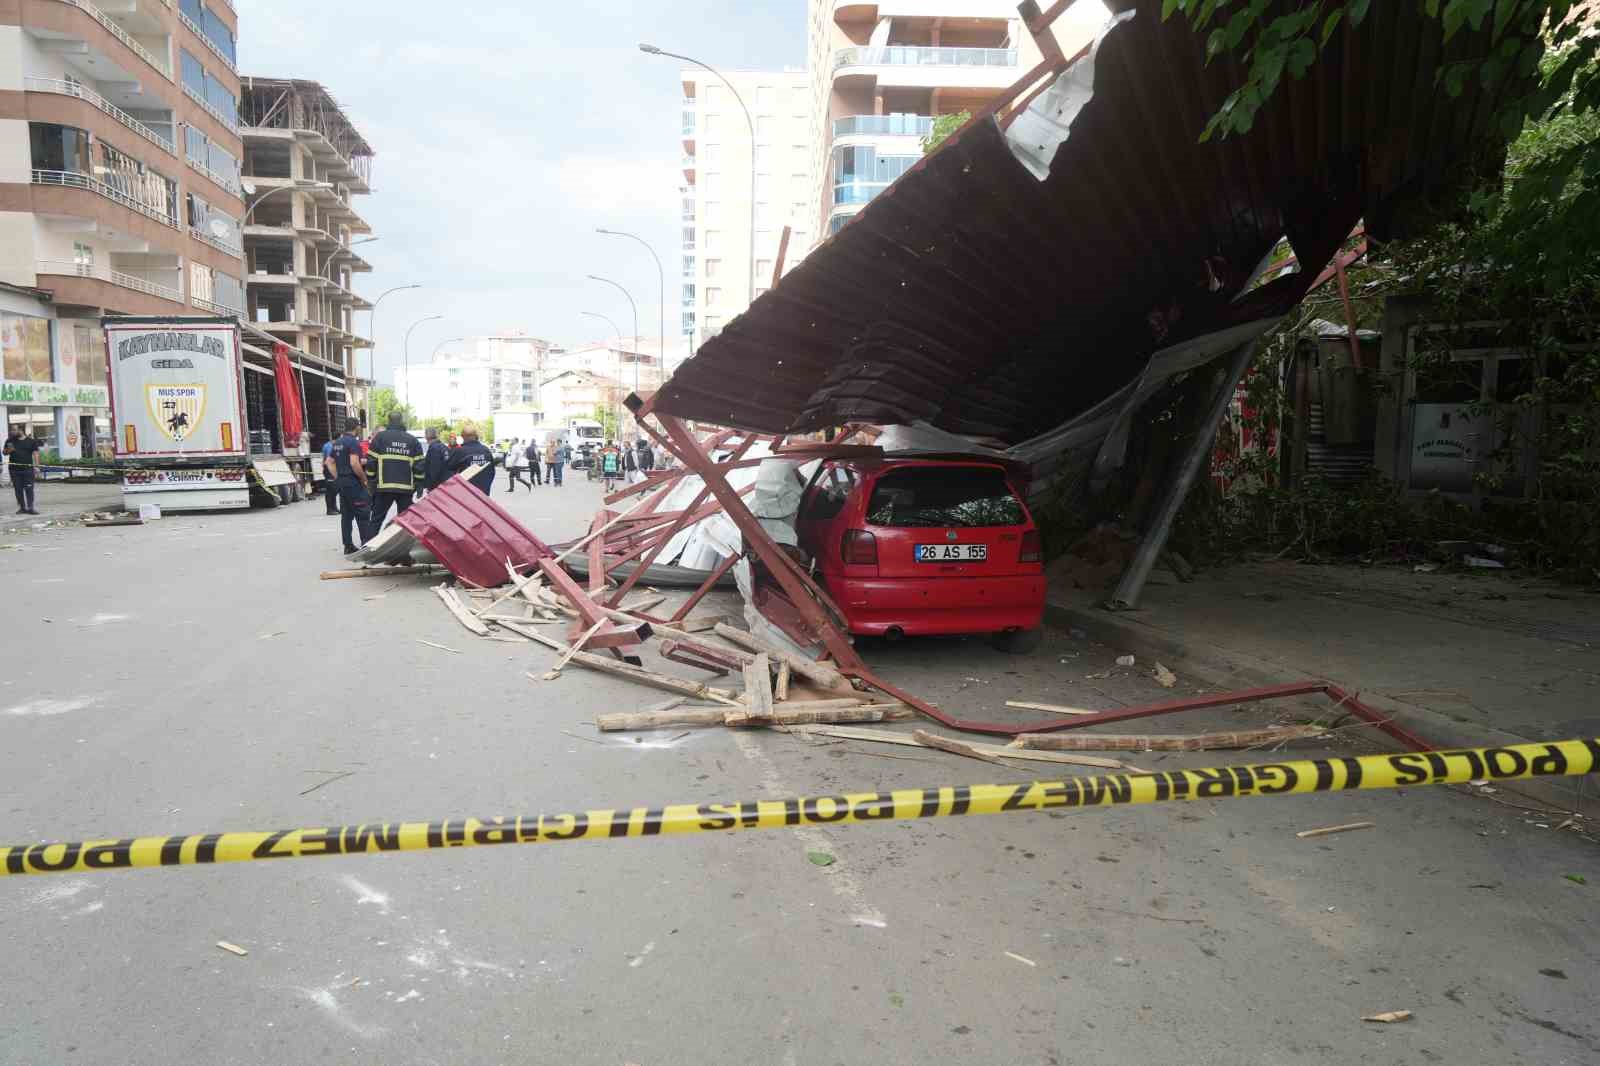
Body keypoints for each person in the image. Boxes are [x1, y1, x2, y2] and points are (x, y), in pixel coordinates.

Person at [367, 412, 423, 536]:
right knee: (406, 522)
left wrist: (370, 481)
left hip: (384, 488)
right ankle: (403, 549)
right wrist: (419, 484)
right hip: (405, 489)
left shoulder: (380, 438)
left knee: (376, 520)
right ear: (401, 420)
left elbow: (371, 462)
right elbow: (419, 465)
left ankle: (367, 547)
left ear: (389, 421)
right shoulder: (412, 440)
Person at [329, 417, 371, 554]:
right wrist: (364, 479)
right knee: (362, 513)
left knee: (346, 515)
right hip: (353, 483)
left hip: (342, 483)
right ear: (356, 427)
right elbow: (354, 463)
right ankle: (366, 544)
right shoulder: (353, 443)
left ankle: (348, 545)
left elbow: (329, 462)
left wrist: (338, 476)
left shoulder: (337, 443)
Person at [448, 426, 496, 495]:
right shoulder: (485, 450)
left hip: (466, 492)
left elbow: (449, 469)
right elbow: (492, 471)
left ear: (463, 436)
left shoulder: (460, 451)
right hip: (483, 492)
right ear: (476, 436)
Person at [4, 428, 43, 515]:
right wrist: (8, 450)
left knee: (29, 489)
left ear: (21, 430)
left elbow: (36, 454)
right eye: (12, 430)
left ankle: (30, 508)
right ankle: (22, 508)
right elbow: (4, 452)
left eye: (14, 430)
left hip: (27, 470)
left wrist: (37, 467)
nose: (12, 432)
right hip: (14, 470)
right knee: (18, 490)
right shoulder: (10, 440)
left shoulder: (31, 441)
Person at [422, 426, 448, 493]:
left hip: (436, 487)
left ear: (427, 436)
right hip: (444, 484)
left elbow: (434, 470)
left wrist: (429, 487)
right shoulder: (444, 447)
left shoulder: (434, 449)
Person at [320, 434, 339, 515]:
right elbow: (329, 461)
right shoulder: (330, 446)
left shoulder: (329, 445)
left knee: (334, 489)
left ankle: (334, 507)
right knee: (330, 491)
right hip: (329, 469)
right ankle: (330, 509)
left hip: (329, 469)